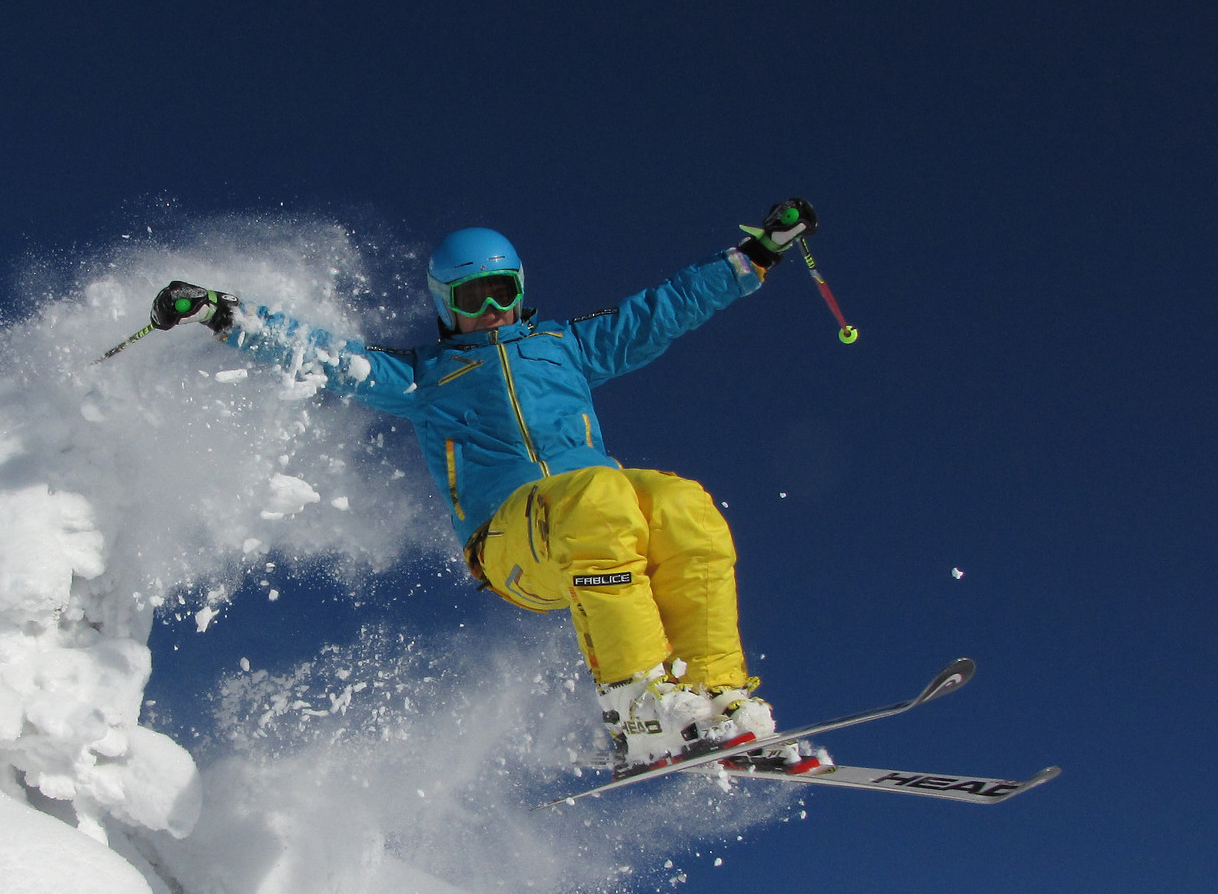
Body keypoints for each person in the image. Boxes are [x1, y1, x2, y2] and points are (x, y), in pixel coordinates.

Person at [149, 200, 829, 778]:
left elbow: (662, 310)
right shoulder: (420, 375)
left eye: (505, 290)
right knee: (600, 494)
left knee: (685, 507)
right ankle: (638, 706)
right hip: (510, 545)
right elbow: (323, 355)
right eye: (475, 297)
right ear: (446, 303)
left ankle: (717, 694)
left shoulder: (565, 345)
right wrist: (222, 314)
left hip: (593, 521)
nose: (494, 308)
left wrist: (754, 254)